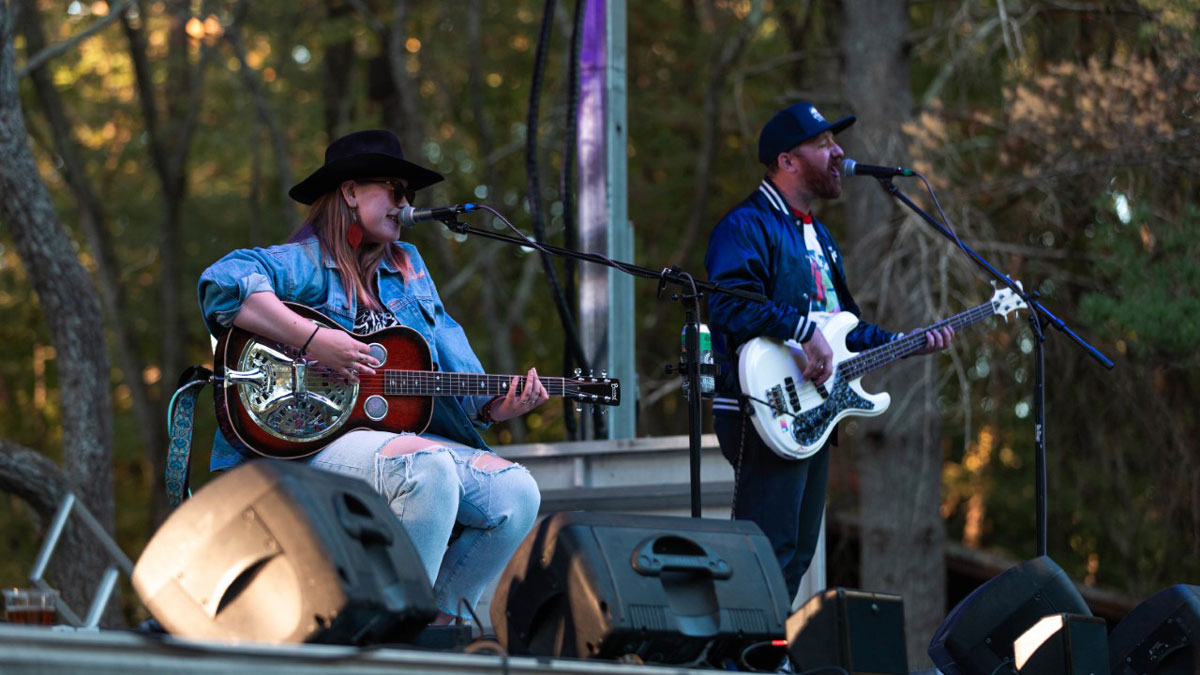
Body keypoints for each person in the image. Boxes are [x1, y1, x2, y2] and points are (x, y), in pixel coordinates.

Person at [198, 129, 543, 625]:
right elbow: (222, 283)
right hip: (305, 447)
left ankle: (435, 623)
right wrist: (315, 341)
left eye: (410, 195)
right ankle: (395, 638)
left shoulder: (409, 269)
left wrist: (491, 407)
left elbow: (448, 355)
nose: (405, 204)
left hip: (394, 441)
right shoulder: (305, 263)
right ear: (350, 191)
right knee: (428, 469)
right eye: (394, 190)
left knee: (515, 494)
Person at [704, 102, 954, 599]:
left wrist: (905, 345)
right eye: (823, 144)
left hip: (812, 411)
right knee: (767, 548)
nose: (838, 152)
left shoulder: (823, 239)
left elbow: (842, 328)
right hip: (763, 406)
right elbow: (730, 304)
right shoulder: (746, 225)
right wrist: (799, 329)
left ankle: (769, 654)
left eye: (835, 143)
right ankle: (744, 661)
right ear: (787, 161)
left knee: (796, 552)